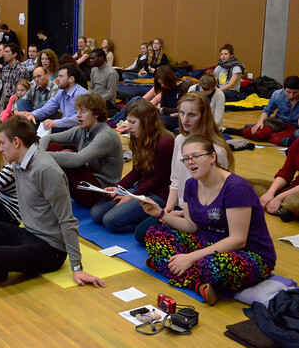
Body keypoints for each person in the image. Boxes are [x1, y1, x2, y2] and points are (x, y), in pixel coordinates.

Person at [0, 116, 106, 288]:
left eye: (3, 143)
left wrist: (77, 267)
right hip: (28, 234)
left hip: (50, 249)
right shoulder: (18, 162)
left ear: (16, 142)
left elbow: (67, 220)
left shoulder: (46, 169)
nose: (0, 149)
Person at [140, 135, 275, 304]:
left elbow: (238, 240)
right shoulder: (190, 184)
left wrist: (190, 258)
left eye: (196, 156)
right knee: (154, 233)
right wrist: (160, 213)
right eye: (186, 159)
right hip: (207, 245)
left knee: (212, 265)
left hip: (248, 254)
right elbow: (191, 226)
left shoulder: (236, 188)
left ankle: (167, 265)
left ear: (212, 157)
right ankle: (199, 285)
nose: (190, 162)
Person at [134, 92, 234, 245]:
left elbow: (221, 196)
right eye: (181, 113)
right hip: (182, 207)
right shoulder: (180, 139)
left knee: (148, 236)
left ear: (203, 116)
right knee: (141, 234)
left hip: (205, 213)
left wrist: (181, 214)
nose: (185, 119)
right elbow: (175, 179)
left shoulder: (217, 151)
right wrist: (168, 209)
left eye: (192, 115)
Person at [90, 100, 173, 233]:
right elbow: (136, 171)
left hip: (158, 194)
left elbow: (158, 179)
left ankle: (154, 224)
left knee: (110, 221)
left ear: (147, 122)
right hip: (140, 189)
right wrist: (118, 188)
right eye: (128, 121)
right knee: (96, 214)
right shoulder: (138, 136)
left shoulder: (165, 142)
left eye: (132, 123)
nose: (128, 126)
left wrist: (132, 196)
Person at [40, 93, 123, 208]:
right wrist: (40, 152)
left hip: (101, 193)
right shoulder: (83, 130)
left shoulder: (106, 136)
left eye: (82, 112)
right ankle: (48, 192)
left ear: (97, 114)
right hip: (84, 187)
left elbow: (77, 160)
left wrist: (40, 156)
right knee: (53, 146)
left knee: (68, 156)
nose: (78, 115)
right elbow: (48, 137)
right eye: (77, 111)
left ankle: (48, 192)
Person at [19, 63, 88, 133]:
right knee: (39, 126)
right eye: (58, 76)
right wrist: (32, 115)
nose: (57, 79)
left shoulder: (82, 94)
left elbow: (80, 118)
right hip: (66, 127)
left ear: (71, 79)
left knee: (42, 131)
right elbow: (46, 108)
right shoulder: (61, 92)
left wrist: (55, 123)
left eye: (61, 77)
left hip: (79, 131)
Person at [241, 76, 299, 145]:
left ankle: (270, 134)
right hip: (278, 122)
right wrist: (260, 122)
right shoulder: (278, 94)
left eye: (295, 93)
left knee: (277, 139)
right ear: (283, 88)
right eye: (288, 92)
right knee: (257, 133)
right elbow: (267, 110)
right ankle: (242, 130)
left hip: (293, 125)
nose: (291, 96)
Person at [256, 139, 299, 221]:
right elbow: (286, 172)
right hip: (293, 188)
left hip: (294, 196)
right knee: (248, 184)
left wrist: (279, 198)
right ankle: (281, 209)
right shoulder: (297, 143)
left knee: (293, 203)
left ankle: (273, 205)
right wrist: (270, 193)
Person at [88, 48, 119, 114]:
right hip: (95, 99)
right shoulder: (93, 70)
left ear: (101, 58)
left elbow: (110, 94)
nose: (90, 60)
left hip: (107, 101)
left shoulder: (111, 73)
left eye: (93, 58)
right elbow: (91, 87)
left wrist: (96, 100)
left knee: (90, 111)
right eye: (90, 58)